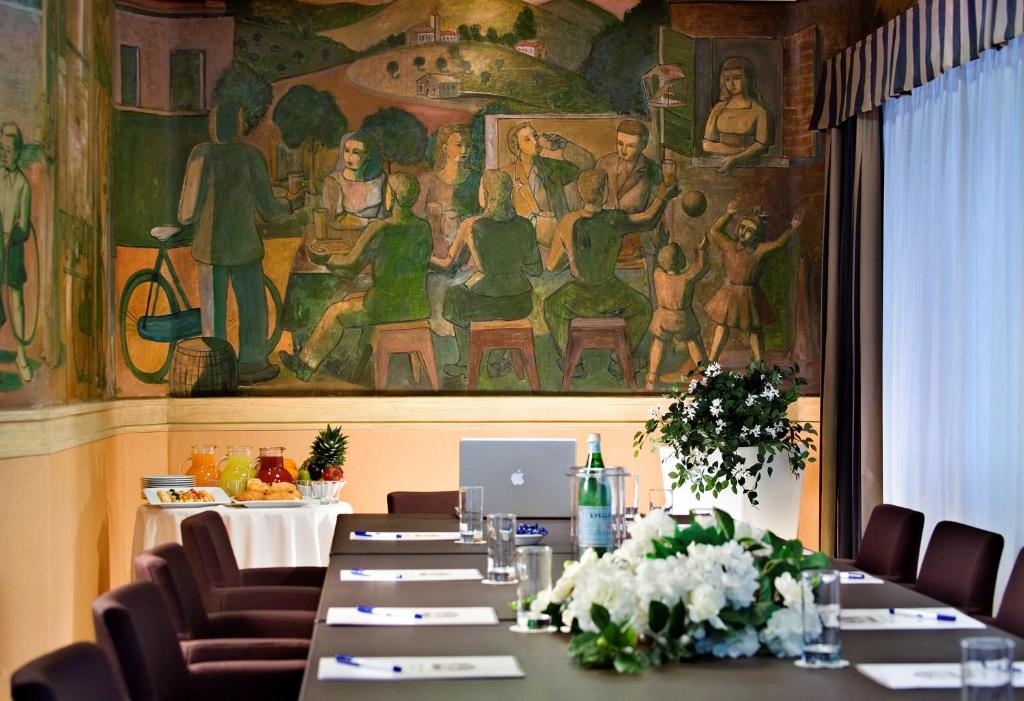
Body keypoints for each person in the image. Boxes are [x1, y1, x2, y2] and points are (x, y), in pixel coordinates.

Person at [178, 102, 302, 384]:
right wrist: (291, 203)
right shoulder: (250, 156)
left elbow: (186, 214)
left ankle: (215, 370)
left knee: (213, 315)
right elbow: (269, 209)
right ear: (238, 125)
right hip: (245, 246)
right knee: (252, 309)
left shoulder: (201, 154)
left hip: (210, 249)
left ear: (212, 124)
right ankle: (254, 366)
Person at [279, 173, 432, 382]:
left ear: (394, 196)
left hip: (384, 308)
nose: (385, 194)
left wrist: (327, 259)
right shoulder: (423, 228)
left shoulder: (379, 228)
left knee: (335, 312)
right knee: (350, 298)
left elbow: (350, 265)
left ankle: (304, 366)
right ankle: (354, 366)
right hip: (417, 306)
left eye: (387, 190)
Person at [544, 169, 679, 379]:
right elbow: (649, 220)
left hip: (578, 296)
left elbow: (552, 266)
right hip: (611, 294)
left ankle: (572, 361)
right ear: (604, 192)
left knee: (551, 306)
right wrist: (663, 194)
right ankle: (619, 361)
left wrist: (570, 255)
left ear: (581, 192)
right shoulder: (614, 219)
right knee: (643, 307)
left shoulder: (567, 222)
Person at [430, 170, 542, 378]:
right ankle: (497, 360)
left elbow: (448, 266)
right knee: (498, 306)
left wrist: (425, 258)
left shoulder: (470, 225)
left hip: (482, 303)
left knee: (454, 298)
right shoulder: (525, 225)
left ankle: (465, 363)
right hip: (520, 303)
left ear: (487, 194)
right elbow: (536, 269)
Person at [704, 198, 803, 363]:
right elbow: (714, 230)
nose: (743, 231)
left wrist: (793, 228)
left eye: (749, 230)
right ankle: (711, 361)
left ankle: (759, 364)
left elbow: (779, 244)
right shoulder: (729, 245)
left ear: (757, 235)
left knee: (754, 330)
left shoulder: (759, 250)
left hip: (749, 294)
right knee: (721, 326)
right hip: (729, 293)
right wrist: (728, 214)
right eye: (742, 227)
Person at [501, 121, 594, 246]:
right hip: (525, 242)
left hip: (558, 241)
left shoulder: (552, 167)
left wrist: (562, 144)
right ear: (517, 147)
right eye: (527, 139)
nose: (535, 141)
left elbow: (589, 163)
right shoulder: (507, 174)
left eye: (535, 135)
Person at [645, 237, 709, 389]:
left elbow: (657, 263)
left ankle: (651, 379)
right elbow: (702, 267)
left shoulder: (658, 275)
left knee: (658, 343)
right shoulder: (686, 278)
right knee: (692, 342)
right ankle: (707, 375)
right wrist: (702, 250)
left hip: (663, 318)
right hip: (681, 317)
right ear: (681, 261)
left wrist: (661, 243)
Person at [702, 57, 774, 175]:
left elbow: (761, 145)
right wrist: (735, 151)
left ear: (748, 79)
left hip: (750, 169)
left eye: (736, 78)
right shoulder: (718, 108)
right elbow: (706, 144)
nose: (731, 84)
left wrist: (736, 158)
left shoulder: (760, 110)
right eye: (727, 79)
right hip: (717, 165)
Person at [0, 123, 32, 382]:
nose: (4, 154)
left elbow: (25, 227)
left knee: (17, 301)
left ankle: (21, 355)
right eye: (1, 149)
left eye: (9, 150)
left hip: (12, 249)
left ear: (18, 152)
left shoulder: (23, 185)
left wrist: (13, 236)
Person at [320, 129, 386, 230]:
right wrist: (369, 222)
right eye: (346, 150)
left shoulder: (379, 179)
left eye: (355, 152)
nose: (349, 157)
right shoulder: (334, 181)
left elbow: (383, 214)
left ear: (368, 155)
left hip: (376, 233)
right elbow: (333, 220)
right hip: (345, 235)